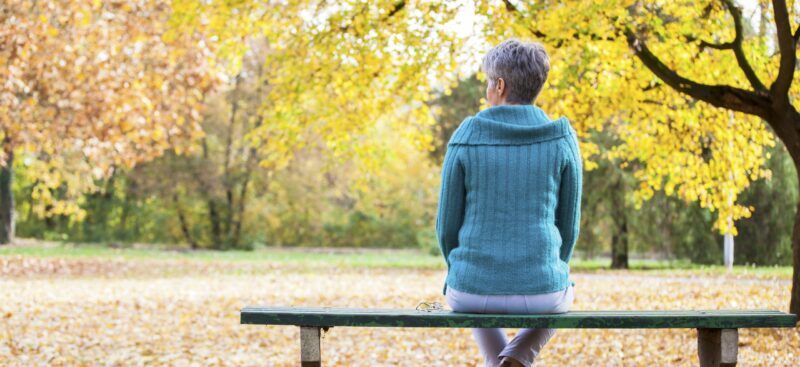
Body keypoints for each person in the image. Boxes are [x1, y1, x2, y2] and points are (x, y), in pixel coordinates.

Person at [436, 39, 583, 367]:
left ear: (499, 86)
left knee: (471, 300)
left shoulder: (468, 133)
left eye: (488, 82)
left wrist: (459, 269)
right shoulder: (562, 137)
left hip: (468, 291)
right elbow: (569, 227)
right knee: (565, 294)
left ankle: (499, 362)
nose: (487, 90)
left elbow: (446, 227)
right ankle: (516, 358)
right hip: (544, 291)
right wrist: (552, 269)